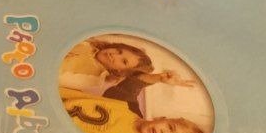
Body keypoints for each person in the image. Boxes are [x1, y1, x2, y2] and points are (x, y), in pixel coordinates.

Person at [59, 88, 209, 133]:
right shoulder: (128, 104)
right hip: (58, 97)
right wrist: (159, 77)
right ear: (161, 118)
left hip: (57, 127)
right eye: (171, 127)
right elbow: (134, 83)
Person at [60, 34, 194, 96]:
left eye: (123, 61)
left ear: (120, 71)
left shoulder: (94, 78)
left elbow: (60, 78)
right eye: (119, 51)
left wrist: (158, 77)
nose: (114, 55)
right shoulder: (88, 42)